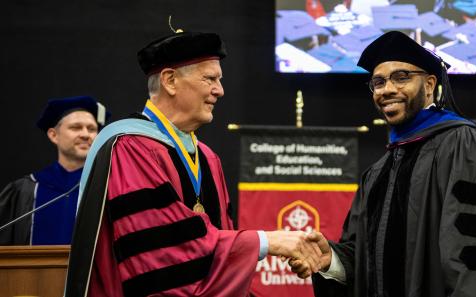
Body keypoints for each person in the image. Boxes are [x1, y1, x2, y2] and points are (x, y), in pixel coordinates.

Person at [63, 30, 323, 296]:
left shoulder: (207, 158)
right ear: (170, 80)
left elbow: (217, 259)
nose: (220, 91)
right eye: (210, 78)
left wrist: (262, 246)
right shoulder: (131, 148)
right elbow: (163, 255)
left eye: (220, 80)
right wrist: (266, 241)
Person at [294, 31, 476, 296]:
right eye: (378, 82)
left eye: (401, 78)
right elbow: (367, 262)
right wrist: (331, 261)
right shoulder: (377, 173)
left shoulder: (464, 145)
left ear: (429, 85)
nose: (387, 89)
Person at [0, 96, 108, 245]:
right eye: (76, 127)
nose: (85, 134)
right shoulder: (26, 189)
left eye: (92, 129)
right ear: (53, 135)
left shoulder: (107, 187)